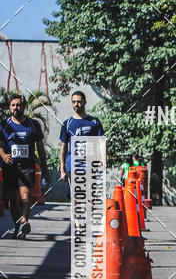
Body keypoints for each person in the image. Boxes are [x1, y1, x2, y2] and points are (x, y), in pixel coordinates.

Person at [0, 94, 49, 239]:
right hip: (10, 166)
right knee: (14, 199)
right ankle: (18, 226)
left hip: (27, 165)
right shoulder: (4, 125)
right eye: (13, 105)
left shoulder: (33, 125)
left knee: (25, 196)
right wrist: (3, 155)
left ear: (24, 107)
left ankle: (24, 221)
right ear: (10, 107)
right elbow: (0, 146)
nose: (16, 108)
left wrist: (45, 168)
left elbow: (40, 147)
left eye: (19, 105)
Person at [59, 90, 104, 192]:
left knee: (90, 198)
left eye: (79, 101)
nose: (76, 104)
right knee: (77, 199)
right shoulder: (67, 124)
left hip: (91, 165)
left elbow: (101, 142)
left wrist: (102, 159)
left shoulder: (94, 122)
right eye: (74, 102)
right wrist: (62, 168)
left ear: (85, 102)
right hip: (73, 165)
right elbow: (64, 147)